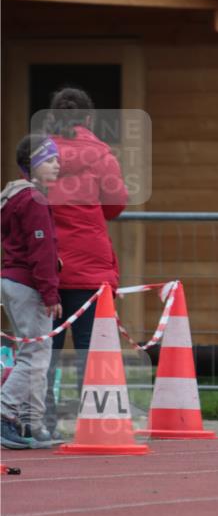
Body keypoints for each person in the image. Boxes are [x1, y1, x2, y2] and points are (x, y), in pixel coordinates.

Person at [43, 87, 128, 432]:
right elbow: (115, 205)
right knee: (89, 348)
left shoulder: (39, 154)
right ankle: (91, 423)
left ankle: (41, 422)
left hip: (46, 264)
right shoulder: (102, 155)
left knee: (43, 350)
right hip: (89, 265)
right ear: (89, 119)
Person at [1, 135, 62, 449]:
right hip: (28, 285)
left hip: (12, 281)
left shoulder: (12, 196)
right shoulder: (34, 199)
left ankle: (32, 423)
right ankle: (4, 410)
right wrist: (50, 292)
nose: (57, 165)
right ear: (32, 165)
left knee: (37, 354)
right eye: (49, 160)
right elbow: (41, 249)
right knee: (34, 357)